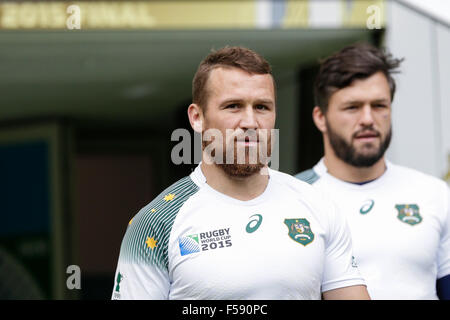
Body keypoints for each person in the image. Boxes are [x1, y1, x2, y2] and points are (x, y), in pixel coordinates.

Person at [111, 46, 370, 300]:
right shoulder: (155, 224)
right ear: (197, 117)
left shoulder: (317, 205)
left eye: (262, 107)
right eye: (233, 106)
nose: (250, 122)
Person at [295, 43, 450, 300]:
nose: (368, 118)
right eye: (352, 107)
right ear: (320, 117)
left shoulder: (434, 193)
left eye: (379, 105)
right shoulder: (295, 198)